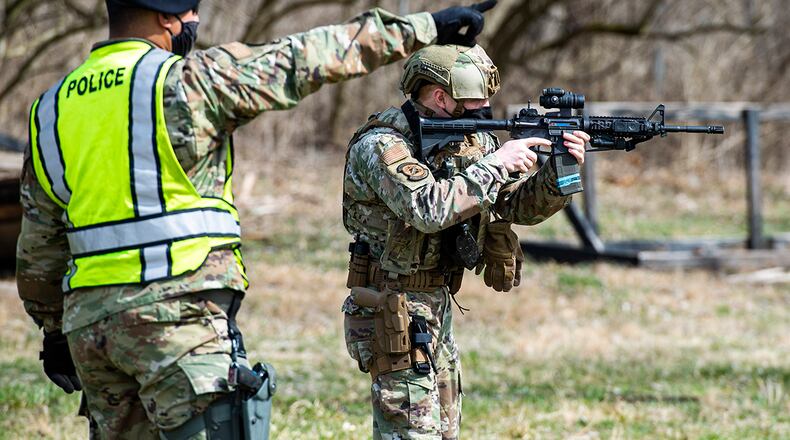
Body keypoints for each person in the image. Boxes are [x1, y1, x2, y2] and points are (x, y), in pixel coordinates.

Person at [16, 0, 500, 438]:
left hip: (90, 331)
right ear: (167, 18)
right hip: (179, 322)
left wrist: (53, 331)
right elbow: (306, 56)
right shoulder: (187, 83)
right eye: (190, 16)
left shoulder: (52, 107)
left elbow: (39, 243)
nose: (194, 25)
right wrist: (425, 27)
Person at [341, 43, 589, 439]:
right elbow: (426, 208)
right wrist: (494, 165)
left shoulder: (469, 141)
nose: (485, 110)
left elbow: (515, 206)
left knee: (445, 433)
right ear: (441, 97)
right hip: (391, 306)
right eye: (476, 102)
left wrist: (560, 171)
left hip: (436, 307)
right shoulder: (382, 146)